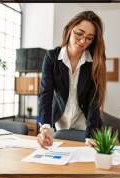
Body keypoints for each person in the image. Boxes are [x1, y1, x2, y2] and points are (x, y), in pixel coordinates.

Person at [37, 10, 107, 148]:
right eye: (79, 34)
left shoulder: (95, 61)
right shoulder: (52, 57)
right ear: (70, 29)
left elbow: (94, 100)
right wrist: (45, 126)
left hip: (87, 125)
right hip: (60, 123)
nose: (82, 41)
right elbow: (46, 94)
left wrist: (91, 134)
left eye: (89, 38)